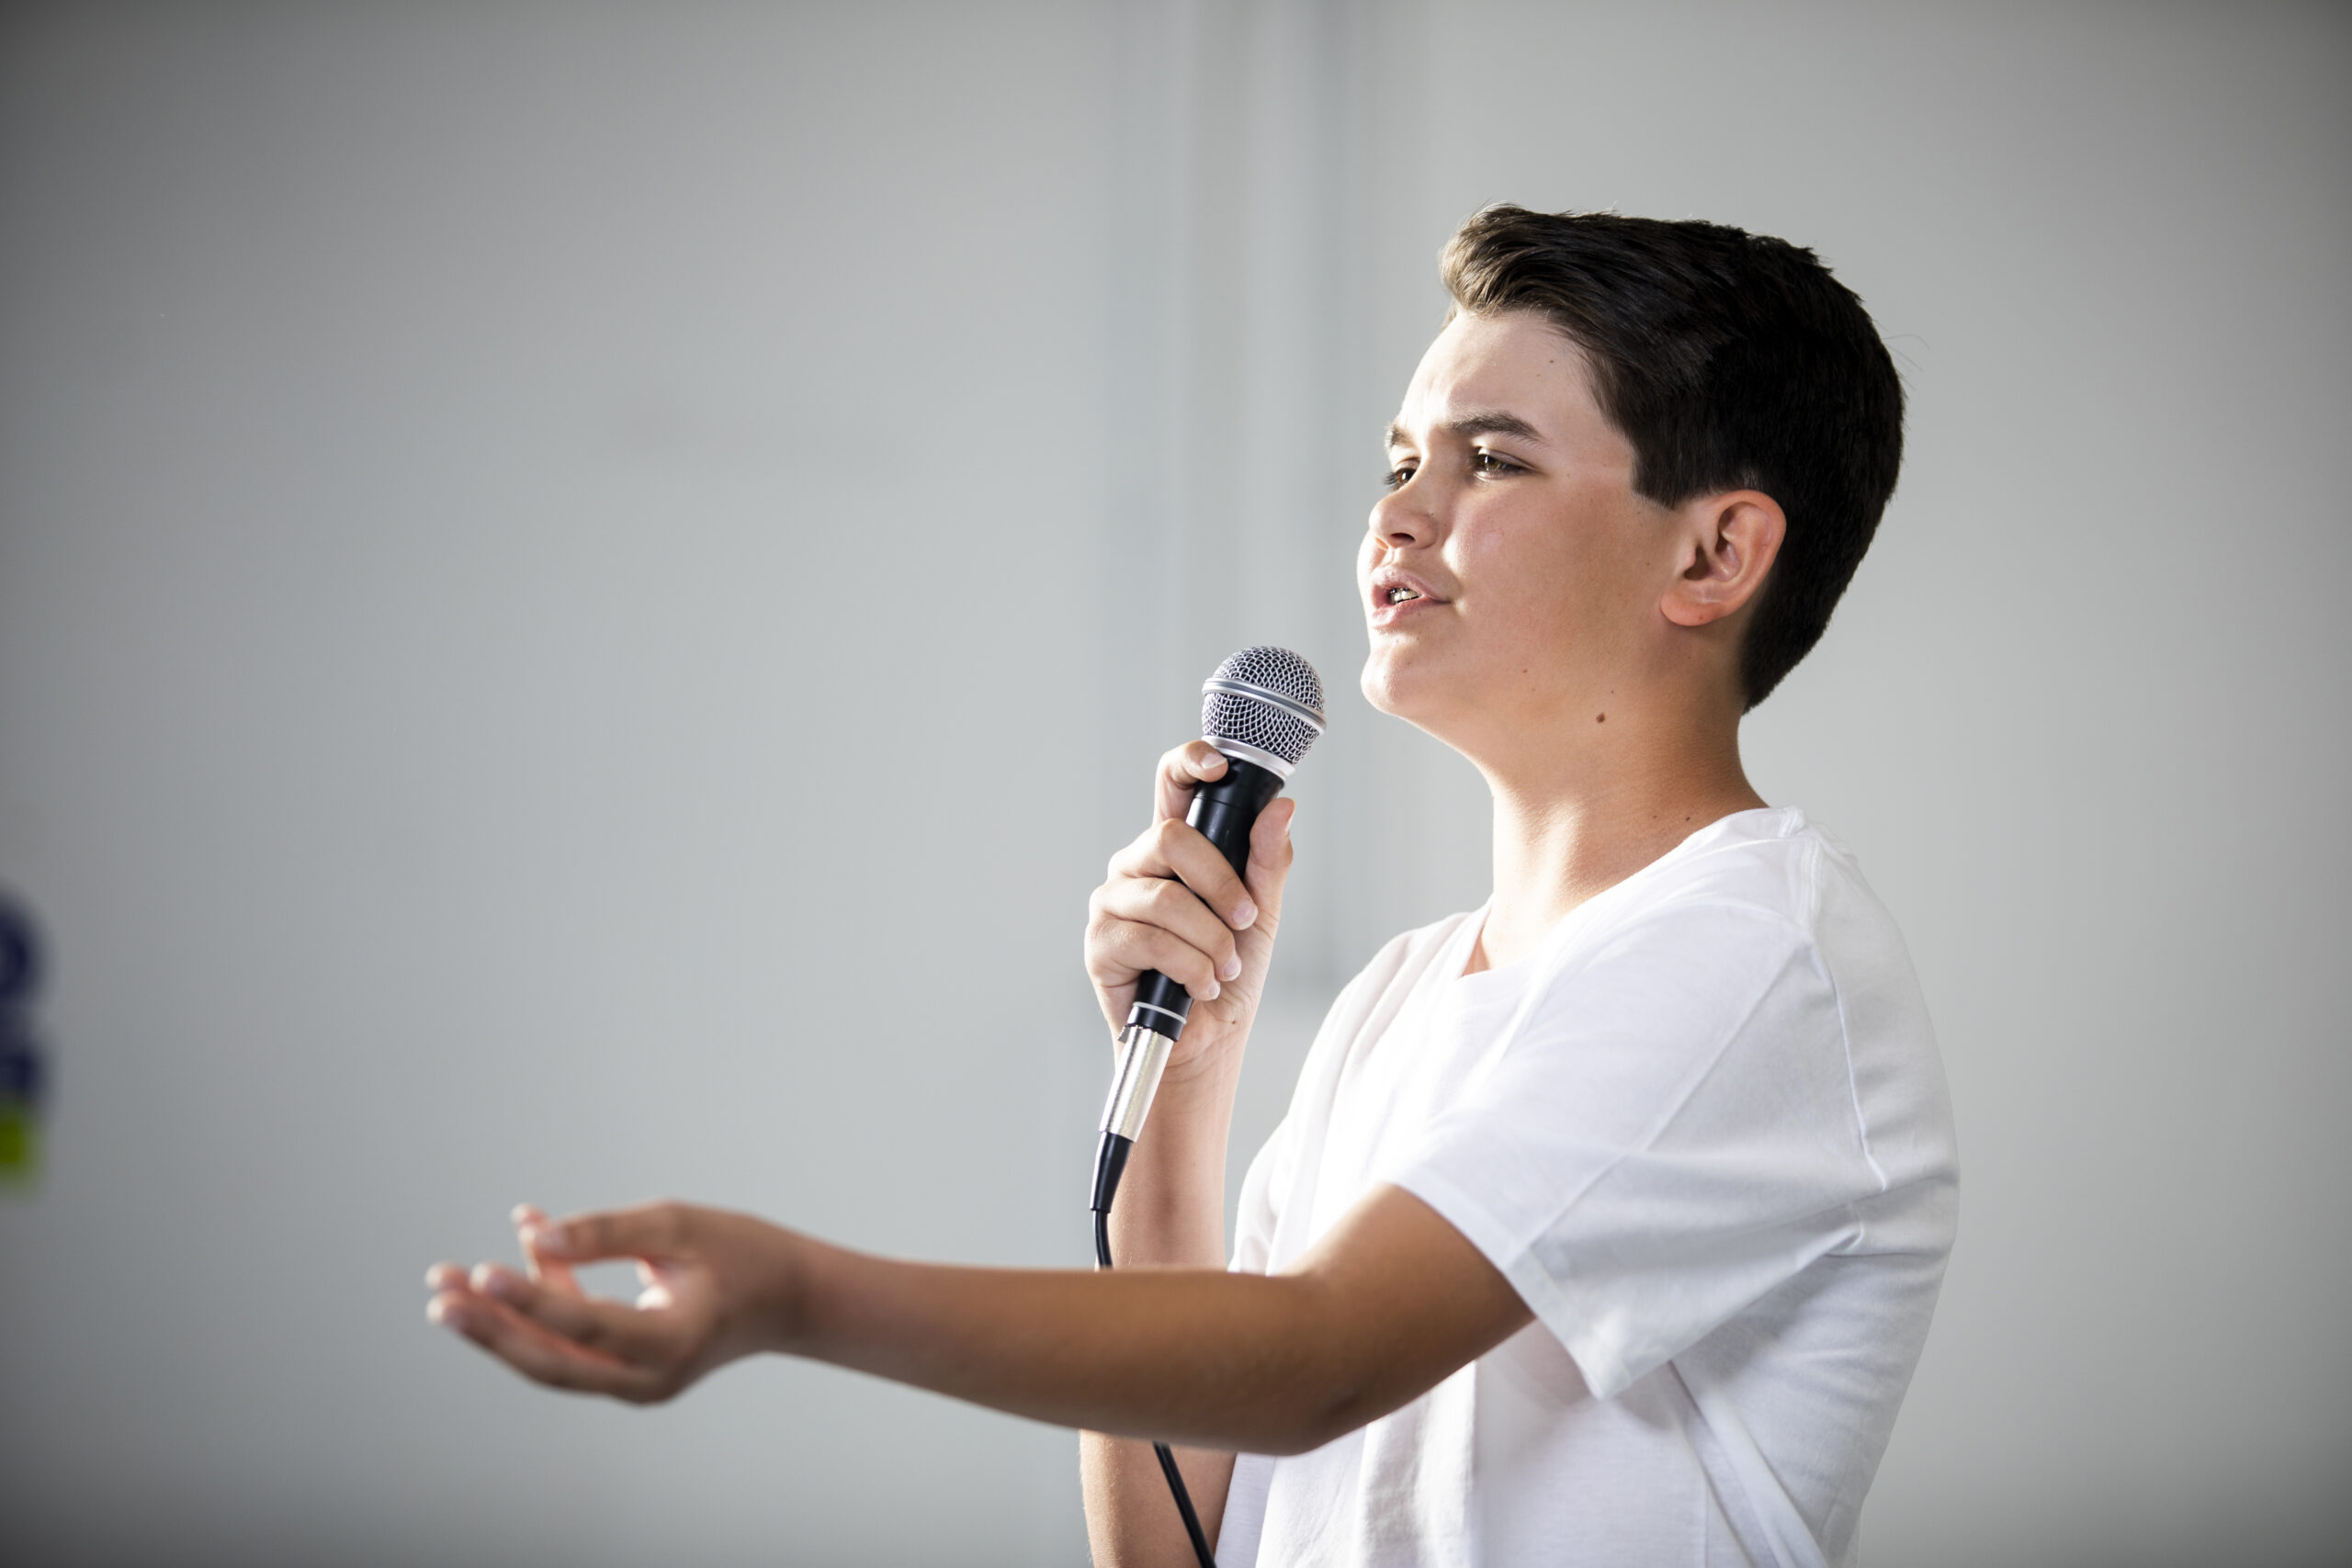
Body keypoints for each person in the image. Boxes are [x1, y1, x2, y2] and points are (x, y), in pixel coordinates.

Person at [425, 204, 1958, 1568]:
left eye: (1491, 459)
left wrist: (799, 1301)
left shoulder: (1752, 950)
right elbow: (1174, 1543)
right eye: (1398, 459)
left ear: (1715, 553)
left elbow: (1318, 1361)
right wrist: (1186, 1079)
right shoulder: (1401, 999)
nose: (1398, 514)